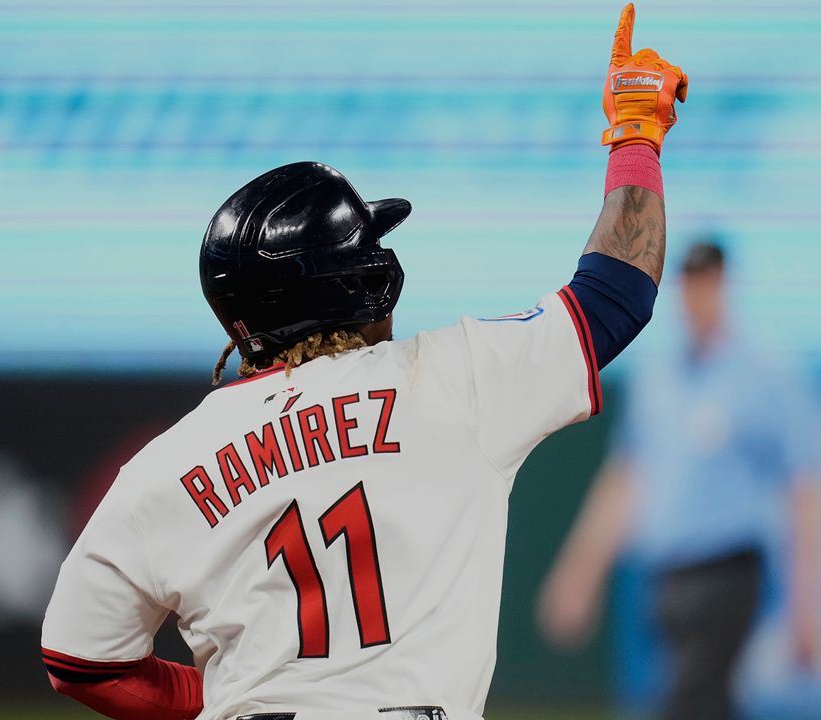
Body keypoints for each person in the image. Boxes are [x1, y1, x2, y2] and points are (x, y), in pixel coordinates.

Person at [39, 5, 686, 719]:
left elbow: (80, 660)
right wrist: (636, 134)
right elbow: (620, 287)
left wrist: (218, 699)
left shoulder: (163, 467)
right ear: (358, 282)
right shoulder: (453, 381)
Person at [537, 241, 821, 720]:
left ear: (723, 284)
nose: (698, 294)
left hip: (730, 567)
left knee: (691, 702)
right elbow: (627, 480)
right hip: (668, 577)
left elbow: (806, 489)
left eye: (707, 281)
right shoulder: (661, 375)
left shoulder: (764, 371)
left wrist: (808, 604)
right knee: (709, 702)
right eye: (690, 282)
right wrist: (580, 573)